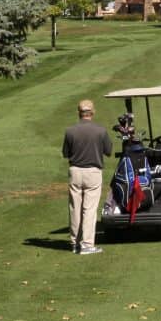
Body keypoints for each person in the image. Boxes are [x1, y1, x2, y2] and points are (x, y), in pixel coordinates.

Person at [62, 98, 112, 255]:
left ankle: (75, 243)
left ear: (79, 113)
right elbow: (108, 151)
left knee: (75, 209)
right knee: (89, 209)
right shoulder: (100, 130)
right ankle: (87, 245)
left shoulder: (70, 131)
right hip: (92, 172)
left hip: (75, 172)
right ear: (93, 112)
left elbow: (66, 153)